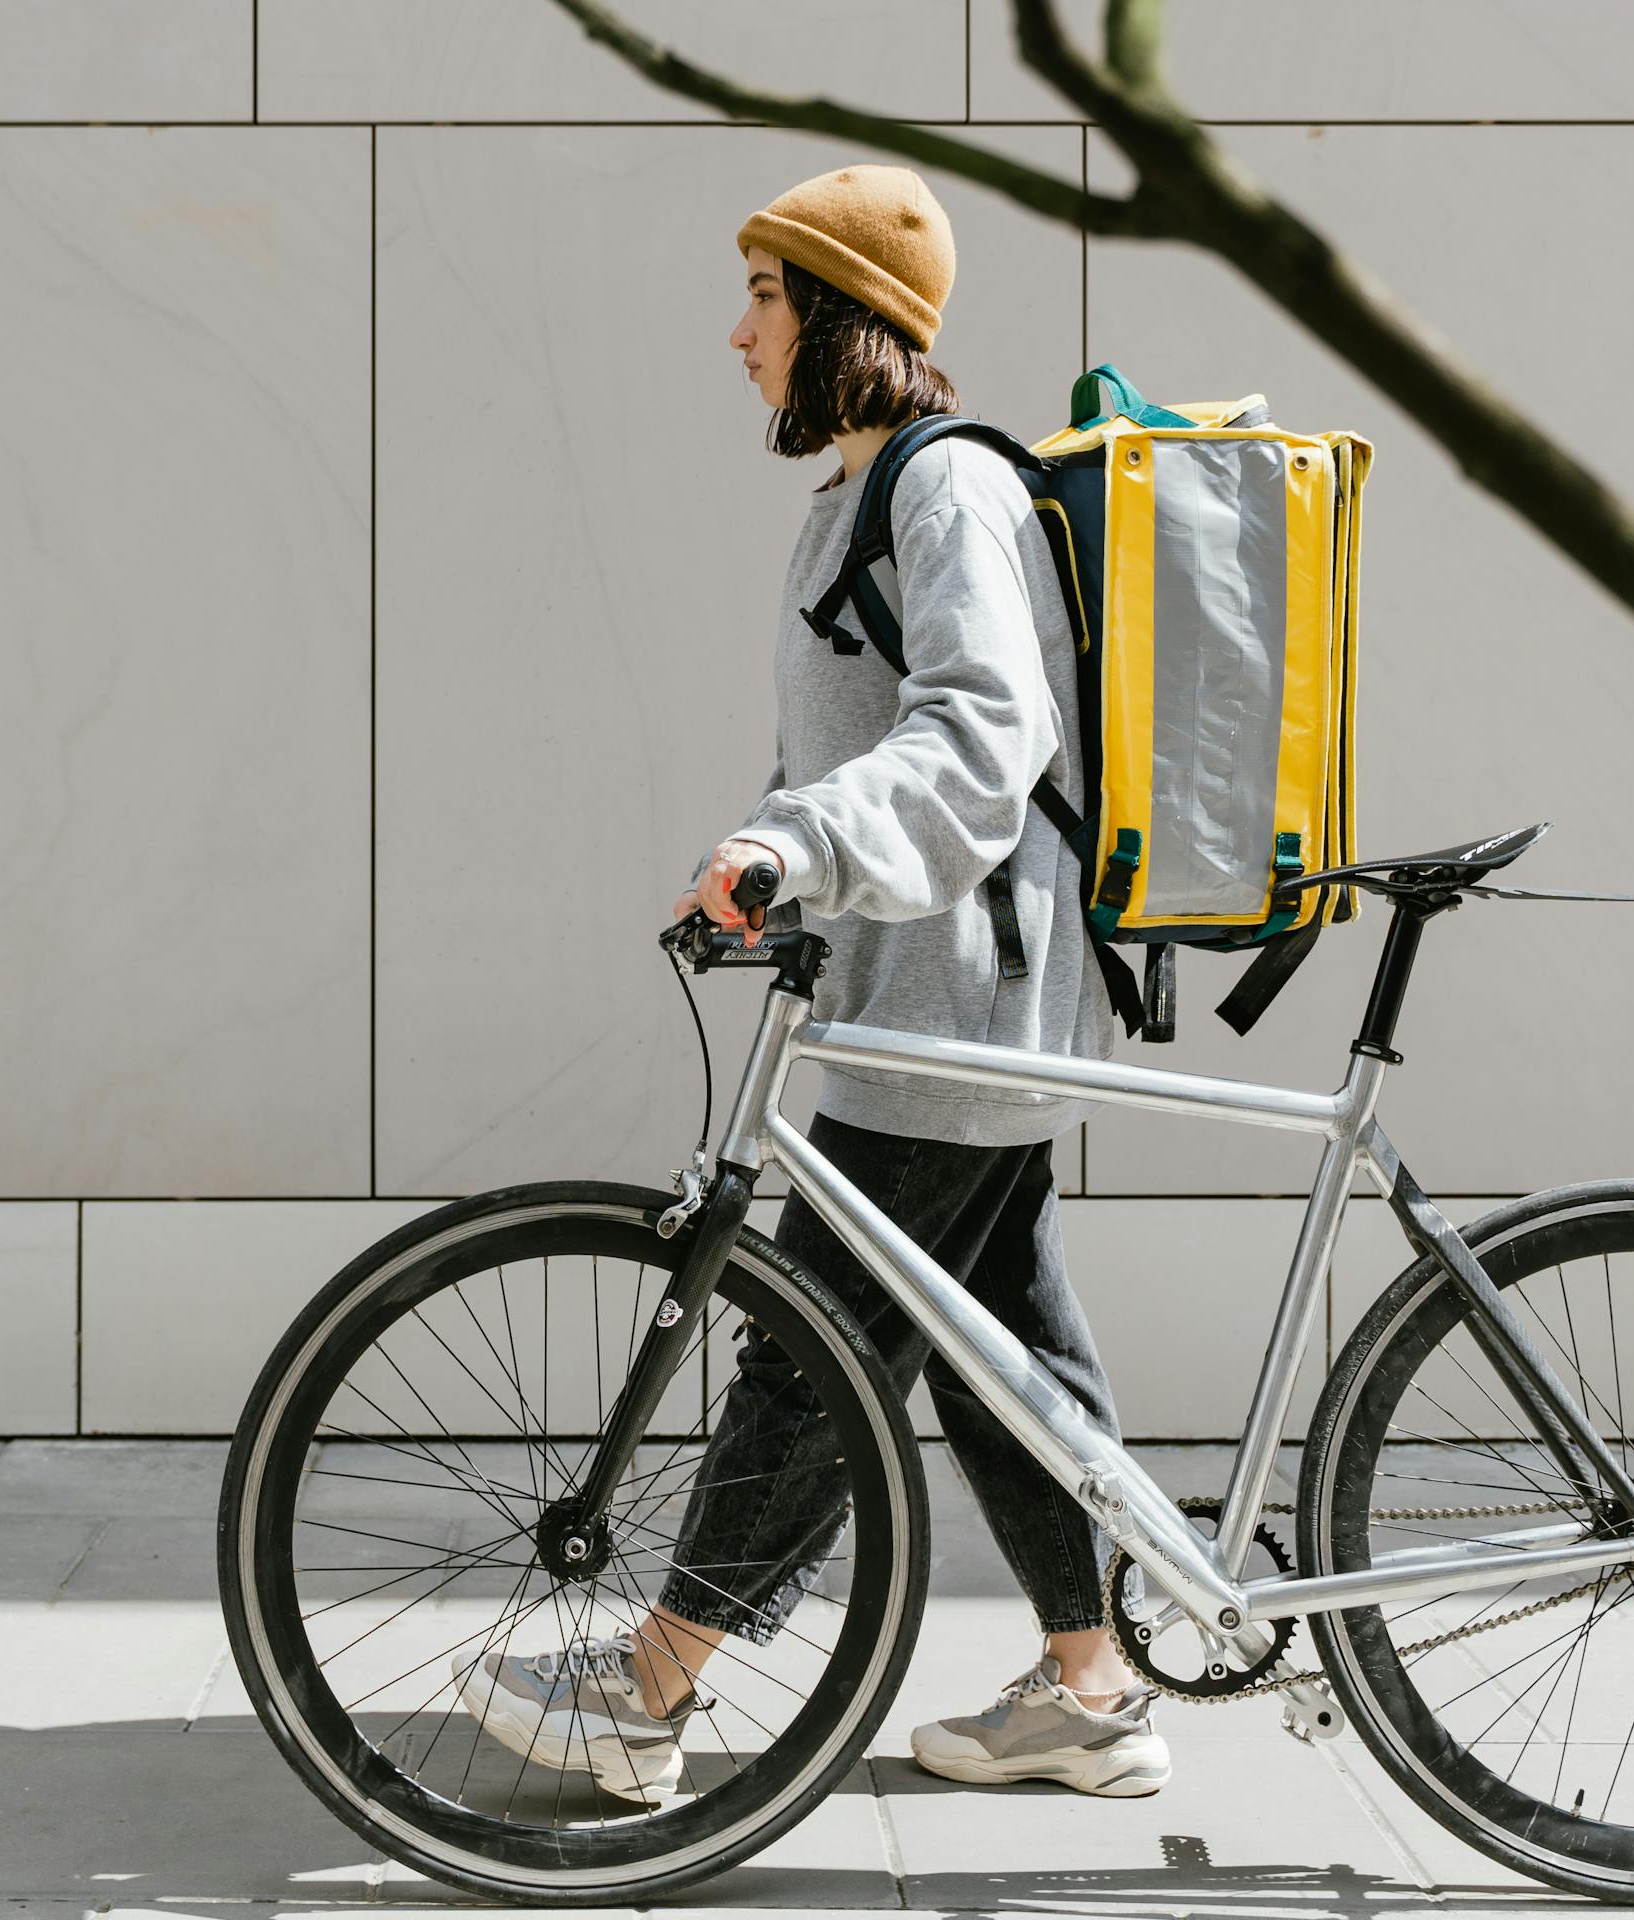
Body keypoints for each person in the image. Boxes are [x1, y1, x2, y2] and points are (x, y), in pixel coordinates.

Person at [448, 162, 1168, 1801]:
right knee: (996, 1356)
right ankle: (1095, 1683)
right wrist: (792, 875)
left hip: (961, 1005)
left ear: (848, 314)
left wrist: (794, 845)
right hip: (923, 997)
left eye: (764, 298)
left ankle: (649, 1686)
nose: (736, 333)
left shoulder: (944, 489)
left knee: (817, 1345)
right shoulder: (854, 495)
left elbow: (988, 733)